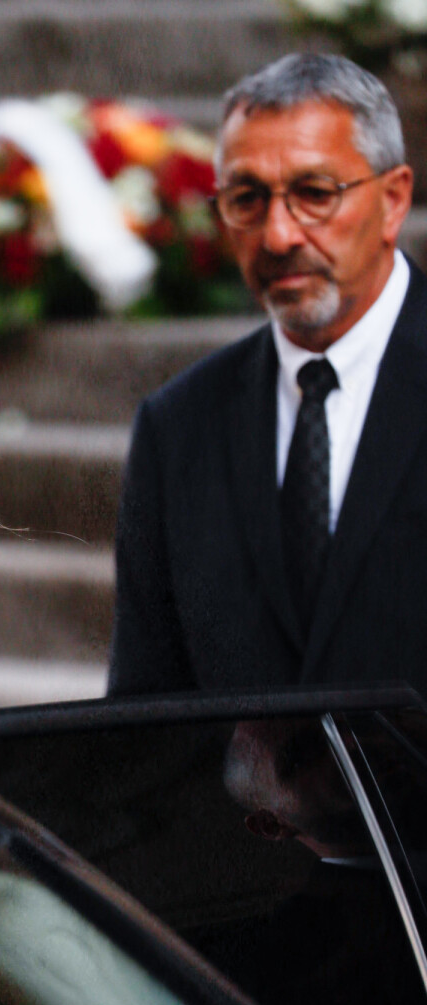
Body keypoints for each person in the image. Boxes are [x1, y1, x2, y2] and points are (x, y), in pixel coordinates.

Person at [108, 53, 423, 696]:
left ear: (393, 201)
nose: (278, 236)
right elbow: (144, 720)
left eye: (314, 194)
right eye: (246, 199)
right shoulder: (178, 427)